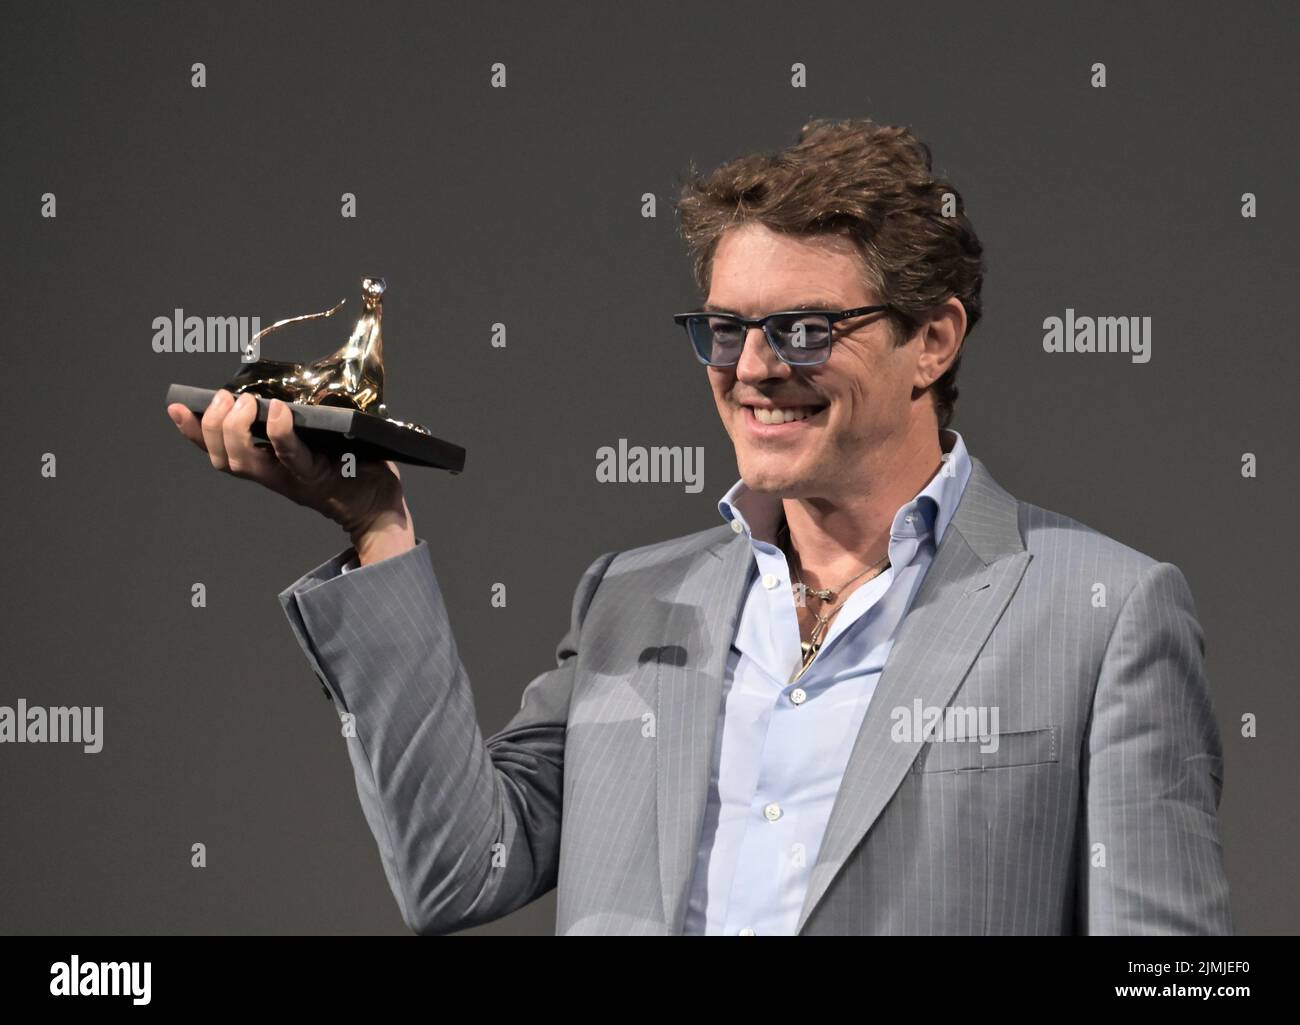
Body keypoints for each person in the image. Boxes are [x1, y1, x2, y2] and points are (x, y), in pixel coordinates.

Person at [166, 117, 1232, 935]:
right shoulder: (633, 599)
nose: (757, 369)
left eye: (807, 328)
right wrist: (376, 528)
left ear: (932, 340)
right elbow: (461, 868)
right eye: (726, 330)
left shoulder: (1101, 613)